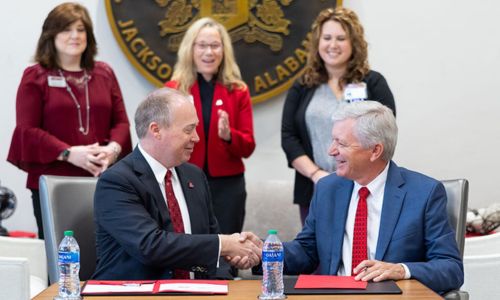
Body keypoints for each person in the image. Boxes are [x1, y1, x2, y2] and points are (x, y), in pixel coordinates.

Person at [271, 101, 462, 294]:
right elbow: (306, 251)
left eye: (341, 143)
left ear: (375, 151)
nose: (331, 151)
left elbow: (451, 268)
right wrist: (262, 251)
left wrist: (401, 270)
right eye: (333, 140)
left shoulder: (424, 193)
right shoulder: (328, 189)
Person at [92, 88, 261, 280]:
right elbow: (150, 246)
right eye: (188, 129)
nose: (196, 137)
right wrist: (224, 245)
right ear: (156, 130)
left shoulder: (194, 176)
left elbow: (212, 245)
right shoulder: (117, 181)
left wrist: (227, 266)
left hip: (196, 293)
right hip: (135, 293)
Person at [6, 2, 132, 239]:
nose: (75, 36)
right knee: (60, 255)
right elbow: (27, 130)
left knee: (106, 249)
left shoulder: (104, 73)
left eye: (81, 29)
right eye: (66, 29)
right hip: (54, 180)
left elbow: (122, 123)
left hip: (102, 180)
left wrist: (113, 150)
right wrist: (69, 153)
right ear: (51, 34)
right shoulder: (36, 77)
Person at [281, 7, 396, 225]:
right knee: (317, 255)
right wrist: (317, 175)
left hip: (365, 186)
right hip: (315, 187)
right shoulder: (303, 86)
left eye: (341, 38)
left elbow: (385, 134)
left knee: (363, 251)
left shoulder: (373, 83)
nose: (333, 45)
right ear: (318, 43)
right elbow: (289, 137)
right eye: (327, 38)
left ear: (354, 43)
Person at [165, 17, 255, 235]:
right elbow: (165, 140)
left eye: (215, 45)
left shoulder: (238, 90)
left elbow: (248, 147)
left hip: (228, 186)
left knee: (227, 252)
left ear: (224, 50)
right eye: (202, 45)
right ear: (191, 48)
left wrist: (228, 135)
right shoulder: (174, 89)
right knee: (188, 248)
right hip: (185, 181)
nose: (209, 52)